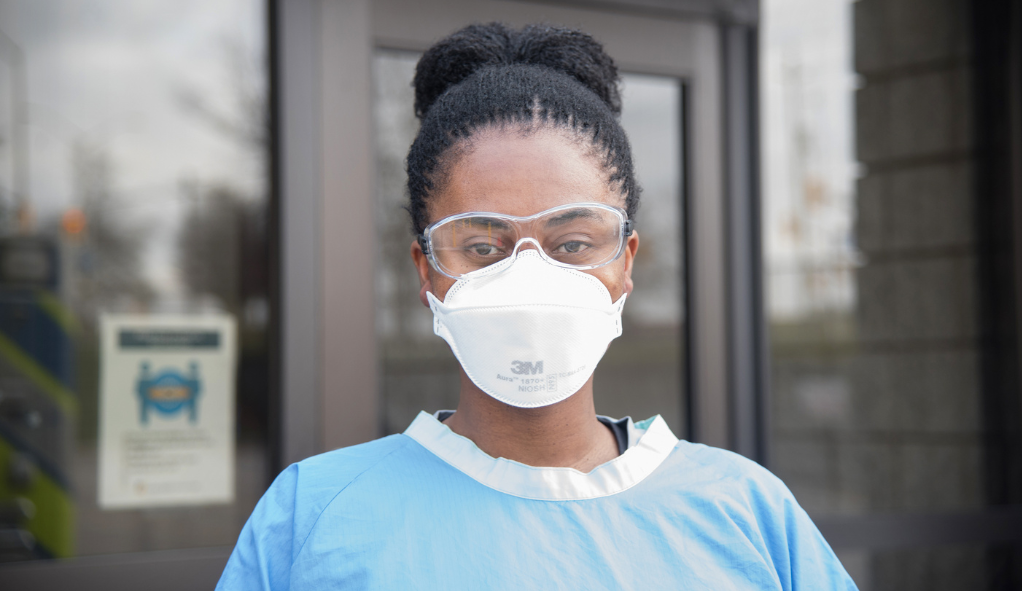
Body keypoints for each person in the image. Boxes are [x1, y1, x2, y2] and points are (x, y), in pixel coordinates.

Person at [216, 23, 857, 590]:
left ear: (625, 262)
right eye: (484, 246)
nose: (529, 278)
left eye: (573, 242)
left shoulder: (747, 511)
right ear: (428, 271)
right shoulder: (312, 517)